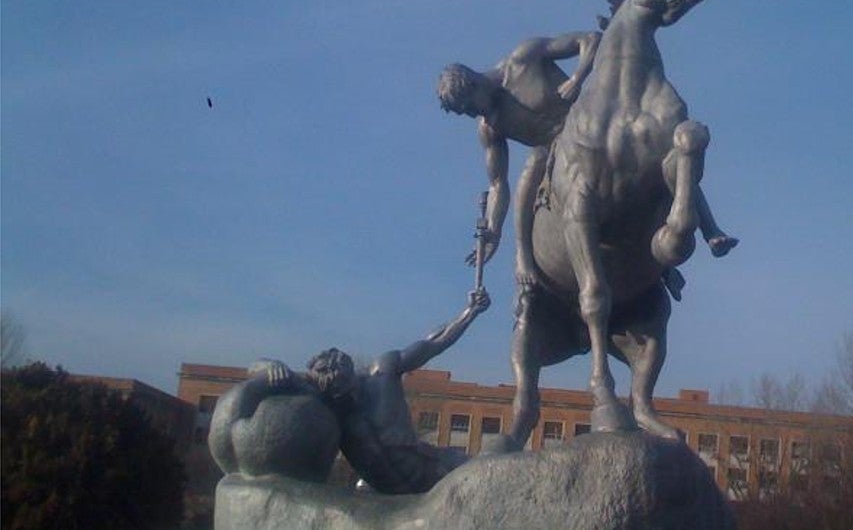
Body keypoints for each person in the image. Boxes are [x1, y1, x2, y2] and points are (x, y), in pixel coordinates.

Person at [438, 33, 737, 299]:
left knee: (661, 149)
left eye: (469, 106)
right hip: (556, 154)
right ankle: (524, 257)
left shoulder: (524, 57)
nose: (473, 115)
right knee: (532, 167)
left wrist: (577, 78)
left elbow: (590, 41)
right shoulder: (490, 127)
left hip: (593, 126)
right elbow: (497, 184)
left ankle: (709, 229)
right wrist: (492, 232)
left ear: (475, 82)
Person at [228, 288, 491, 494]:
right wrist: (268, 365)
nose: (343, 394)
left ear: (352, 372)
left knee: (491, 472)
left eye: (345, 383)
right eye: (335, 391)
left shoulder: (383, 372)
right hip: (384, 497)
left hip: (438, 473)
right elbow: (258, 368)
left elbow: (433, 343)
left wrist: (469, 312)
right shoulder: (327, 395)